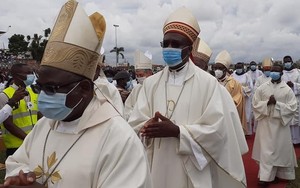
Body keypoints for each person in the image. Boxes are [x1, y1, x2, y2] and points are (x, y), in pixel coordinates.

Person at [2, 1, 152, 188]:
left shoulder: (119, 139)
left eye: (52, 89)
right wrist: (20, 178)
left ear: (84, 88)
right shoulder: (44, 126)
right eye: (40, 88)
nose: (43, 97)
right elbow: (17, 163)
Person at [128, 7, 247, 188]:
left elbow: (217, 132)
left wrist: (178, 132)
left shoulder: (208, 84)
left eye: (175, 45)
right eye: (165, 44)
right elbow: (135, 122)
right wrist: (146, 126)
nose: (169, 48)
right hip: (157, 164)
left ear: (189, 48)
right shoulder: (151, 84)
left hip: (193, 169)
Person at [252, 63, 298, 186]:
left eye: (276, 71)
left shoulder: (287, 90)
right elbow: (255, 103)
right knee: (267, 151)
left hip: (280, 125)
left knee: (280, 150)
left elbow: (293, 107)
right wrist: (267, 103)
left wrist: (277, 104)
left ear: (281, 73)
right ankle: (265, 177)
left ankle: (280, 174)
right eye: (272, 71)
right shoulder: (262, 88)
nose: (273, 73)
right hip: (266, 124)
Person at [0, 63, 39, 157]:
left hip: (34, 143)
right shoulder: (5, 95)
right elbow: (8, 124)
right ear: (17, 76)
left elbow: (39, 115)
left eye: (32, 72)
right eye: (28, 73)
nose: (32, 75)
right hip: (16, 146)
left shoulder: (32, 92)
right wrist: (28, 139)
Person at [213, 51, 247, 133]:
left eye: (220, 68)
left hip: (228, 115)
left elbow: (237, 99)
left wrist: (224, 105)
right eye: (215, 68)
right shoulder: (212, 81)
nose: (217, 70)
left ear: (226, 69)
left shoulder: (234, 83)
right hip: (214, 115)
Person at [124, 50, 153, 121]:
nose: (139, 78)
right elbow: (127, 108)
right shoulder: (136, 89)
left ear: (150, 73)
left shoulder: (157, 86)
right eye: (137, 75)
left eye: (141, 75)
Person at [281, 55, 300, 144]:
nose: (287, 63)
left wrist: (294, 85)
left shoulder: (298, 72)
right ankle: (288, 141)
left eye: (288, 61)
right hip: (285, 99)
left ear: (292, 62)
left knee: (296, 119)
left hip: (296, 99)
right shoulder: (281, 73)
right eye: (285, 62)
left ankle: (297, 140)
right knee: (287, 119)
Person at [232, 62, 254, 135]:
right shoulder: (232, 76)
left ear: (243, 68)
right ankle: (238, 133)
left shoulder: (247, 76)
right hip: (236, 99)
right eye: (237, 67)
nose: (239, 69)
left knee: (246, 114)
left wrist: (241, 90)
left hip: (245, 98)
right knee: (237, 115)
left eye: (240, 67)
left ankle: (246, 132)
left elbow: (250, 87)